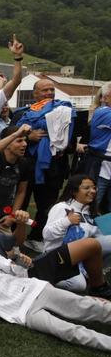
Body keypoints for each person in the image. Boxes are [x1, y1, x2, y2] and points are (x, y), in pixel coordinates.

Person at [0, 226, 111, 351]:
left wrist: (18, 262)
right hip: (22, 314)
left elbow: (20, 274)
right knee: (69, 332)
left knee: (86, 306)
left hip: (36, 290)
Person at [16, 79, 77, 253]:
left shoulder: (64, 112)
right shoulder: (24, 114)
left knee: (47, 206)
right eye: (45, 90)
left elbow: (71, 143)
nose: (49, 93)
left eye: (52, 89)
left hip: (53, 168)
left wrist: (60, 144)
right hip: (27, 166)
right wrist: (29, 137)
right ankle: (13, 236)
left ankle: (36, 237)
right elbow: (11, 137)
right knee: (20, 202)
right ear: (35, 94)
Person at [42, 175, 111, 294]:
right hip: (57, 259)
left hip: (79, 259)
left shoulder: (90, 212)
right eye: (87, 188)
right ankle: (44, 275)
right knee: (79, 286)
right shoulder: (62, 207)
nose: (92, 191)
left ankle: (96, 279)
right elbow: (47, 235)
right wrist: (67, 221)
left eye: (94, 188)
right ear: (74, 191)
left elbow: (100, 241)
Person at [80, 82, 111, 211]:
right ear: (106, 97)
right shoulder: (102, 112)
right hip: (100, 167)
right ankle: (82, 231)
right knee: (90, 207)